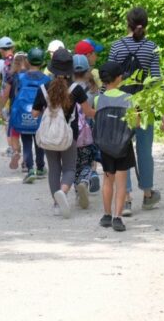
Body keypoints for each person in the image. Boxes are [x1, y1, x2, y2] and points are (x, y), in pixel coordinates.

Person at [108, 7, 164, 215]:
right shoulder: (151, 47)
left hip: (121, 105)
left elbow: (109, 78)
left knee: (121, 150)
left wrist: (102, 103)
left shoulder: (116, 47)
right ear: (146, 24)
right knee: (145, 150)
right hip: (145, 105)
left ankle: (125, 198)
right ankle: (148, 194)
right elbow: (156, 80)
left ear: (127, 23)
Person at [32, 48, 96, 218]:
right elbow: (88, 112)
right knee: (69, 168)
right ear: (70, 69)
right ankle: (64, 191)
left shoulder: (43, 88)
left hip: (48, 136)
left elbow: (35, 113)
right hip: (69, 136)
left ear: (52, 68)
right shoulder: (76, 89)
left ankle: (56, 204)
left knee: (54, 169)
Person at [95, 61, 138, 232]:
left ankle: (106, 215)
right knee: (121, 183)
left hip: (105, 146)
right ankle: (117, 218)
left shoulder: (99, 98)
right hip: (123, 145)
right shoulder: (129, 99)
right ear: (119, 78)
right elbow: (135, 123)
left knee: (107, 180)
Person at [7, 47, 50, 183]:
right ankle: (41, 168)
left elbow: (15, 95)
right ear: (42, 62)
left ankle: (30, 169)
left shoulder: (20, 77)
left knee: (26, 142)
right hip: (40, 116)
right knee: (39, 143)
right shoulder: (46, 79)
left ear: (28, 61)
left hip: (24, 115)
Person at [72, 54, 98, 208]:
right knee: (87, 161)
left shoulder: (68, 88)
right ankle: (84, 181)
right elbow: (96, 108)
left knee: (73, 162)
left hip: (72, 131)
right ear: (88, 70)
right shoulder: (93, 88)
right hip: (89, 131)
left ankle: (77, 191)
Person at [0, 52, 29, 171]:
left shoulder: (11, 76)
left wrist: (1, 108)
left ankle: (16, 151)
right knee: (27, 136)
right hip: (29, 110)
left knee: (15, 133)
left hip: (15, 110)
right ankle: (26, 162)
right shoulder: (31, 75)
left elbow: (5, 95)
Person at [0, 37, 15, 157]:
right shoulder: (20, 61)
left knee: (7, 123)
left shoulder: (1, 63)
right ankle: (20, 147)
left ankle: (11, 148)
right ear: (13, 48)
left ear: (0, 50)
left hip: (6, 97)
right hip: (19, 97)